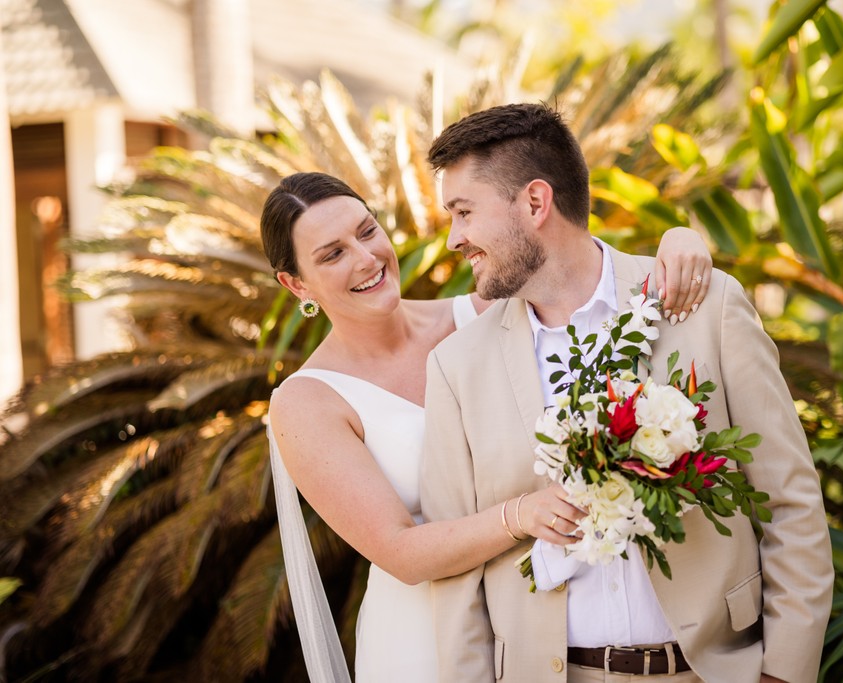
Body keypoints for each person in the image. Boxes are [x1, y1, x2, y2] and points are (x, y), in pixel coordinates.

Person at [419, 103, 834, 683]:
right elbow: (457, 577)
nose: (455, 239)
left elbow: (789, 500)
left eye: (463, 213)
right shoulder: (456, 367)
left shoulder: (703, 307)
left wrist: (784, 674)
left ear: (535, 203)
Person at [260, 171, 714, 683]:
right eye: (332, 254)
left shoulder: (489, 316)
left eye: (367, 232)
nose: (366, 259)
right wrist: (519, 515)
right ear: (296, 284)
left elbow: (578, 272)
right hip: (421, 637)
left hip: (535, 628)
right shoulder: (306, 402)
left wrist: (679, 241)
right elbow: (401, 554)